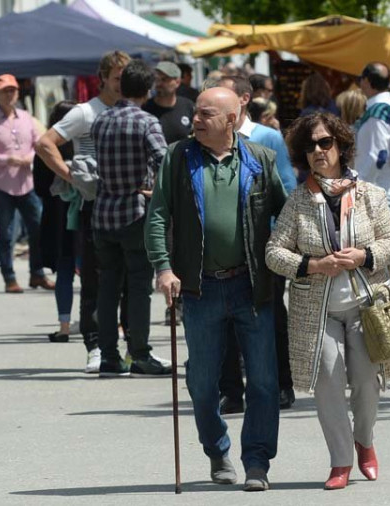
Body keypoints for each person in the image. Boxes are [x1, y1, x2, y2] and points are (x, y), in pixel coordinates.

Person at [145, 87, 287, 491]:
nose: (196, 119)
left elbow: (286, 211)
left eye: (206, 114)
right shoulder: (177, 157)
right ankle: (216, 448)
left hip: (252, 285)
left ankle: (257, 461)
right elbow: (157, 216)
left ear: (232, 118)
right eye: (197, 113)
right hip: (200, 289)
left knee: (262, 379)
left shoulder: (260, 159)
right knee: (202, 382)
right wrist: (163, 267)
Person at [266, 112, 390, 489]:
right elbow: (274, 253)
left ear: (341, 146)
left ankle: (366, 440)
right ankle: (340, 461)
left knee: (366, 383)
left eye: (325, 143)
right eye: (310, 146)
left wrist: (364, 256)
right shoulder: (298, 201)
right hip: (318, 310)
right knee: (327, 380)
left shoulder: (370, 195)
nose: (318, 151)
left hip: (366, 304)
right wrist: (313, 264)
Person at [36, 50, 131, 373]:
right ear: (103, 76)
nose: (123, 84)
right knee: (94, 279)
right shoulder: (85, 112)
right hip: (95, 204)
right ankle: (95, 346)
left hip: (131, 204)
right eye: (118, 77)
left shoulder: (132, 109)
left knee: (131, 280)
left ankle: (131, 347)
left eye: (126, 78)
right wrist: (72, 176)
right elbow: (45, 142)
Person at [213, 75, 297, 413]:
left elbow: (286, 188)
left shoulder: (268, 139)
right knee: (226, 319)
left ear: (243, 100)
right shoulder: (206, 140)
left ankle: (281, 384)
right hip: (223, 248)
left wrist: (282, 239)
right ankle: (232, 389)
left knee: (271, 315)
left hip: (265, 245)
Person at [91, 59, 169, 377]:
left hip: (102, 212)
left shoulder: (101, 120)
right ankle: (139, 353)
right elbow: (164, 160)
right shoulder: (146, 122)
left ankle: (108, 354)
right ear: (147, 89)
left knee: (107, 288)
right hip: (135, 212)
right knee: (138, 288)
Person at [0, 73, 52, 294]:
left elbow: (39, 143)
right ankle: (9, 277)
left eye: (13, 90)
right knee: (6, 234)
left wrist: (31, 156)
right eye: (5, 91)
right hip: (3, 185)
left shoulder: (27, 117)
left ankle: (37, 273)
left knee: (38, 228)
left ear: (18, 92)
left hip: (27, 182)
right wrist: (5, 159)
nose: (9, 95)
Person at [354, 62, 390, 298]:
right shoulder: (389, 107)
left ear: (367, 81)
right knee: (387, 246)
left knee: (387, 247)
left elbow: (375, 156)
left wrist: (356, 186)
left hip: (378, 190)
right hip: (387, 186)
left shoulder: (379, 112)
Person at [33, 101, 78, 343]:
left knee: (64, 272)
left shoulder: (44, 149)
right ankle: (106, 323)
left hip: (56, 218)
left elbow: (39, 188)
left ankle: (64, 326)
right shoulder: (85, 145)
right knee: (96, 273)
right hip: (84, 214)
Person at [143, 61, 195, 145]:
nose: (159, 84)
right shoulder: (145, 108)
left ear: (177, 82)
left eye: (164, 79)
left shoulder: (188, 106)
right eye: (157, 79)